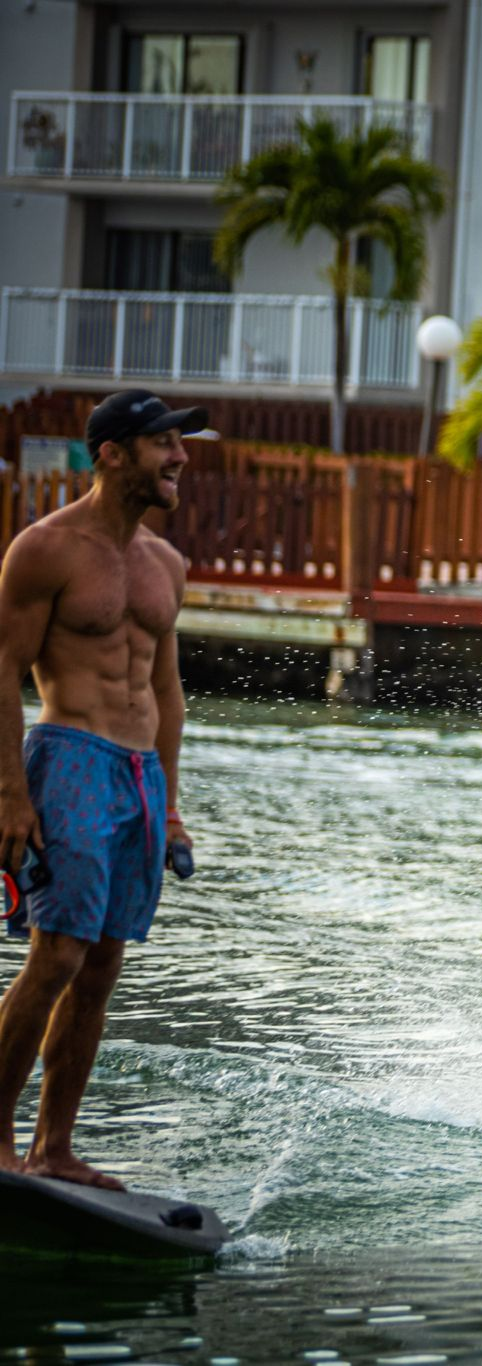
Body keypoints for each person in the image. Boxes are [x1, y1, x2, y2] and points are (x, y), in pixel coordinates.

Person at [0, 389, 200, 1190]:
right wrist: (10, 794)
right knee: (57, 957)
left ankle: (54, 1148)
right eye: (164, 444)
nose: (181, 458)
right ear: (112, 454)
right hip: (69, 754)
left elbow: (169, 693)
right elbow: (4, 674)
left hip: (139, 779)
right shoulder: (43, 550)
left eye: (181, 445)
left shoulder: (167, 565)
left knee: (103, 966)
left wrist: (174, 805)